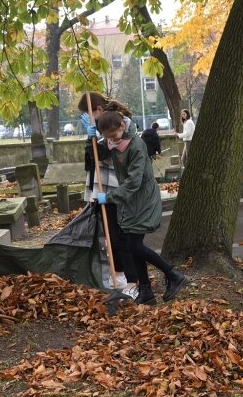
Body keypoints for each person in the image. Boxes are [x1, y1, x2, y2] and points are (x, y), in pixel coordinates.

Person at [94, 110, 188, 305]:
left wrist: (110, 197)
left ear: (122, 126)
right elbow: (102, 150)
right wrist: (92, 139)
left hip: (142, 199)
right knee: (131, 245)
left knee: (134, 245)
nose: (111, 139)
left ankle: (174, 275)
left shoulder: (136, 145)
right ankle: (146, 291)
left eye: (113, 135)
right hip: (130, 201)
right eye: (107, 136)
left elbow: (134, 181)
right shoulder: (114, 141)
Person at [78, 93, 138, 299]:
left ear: (99, 110)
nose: (87, 117)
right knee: (110, 233)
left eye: (88, 113)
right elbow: (91, 156)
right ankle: (118, 274)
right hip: (104, 186)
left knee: (121, 234)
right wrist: (91, 136)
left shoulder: (121, 124)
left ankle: (132, 279)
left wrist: (94, 136)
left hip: (117, 186)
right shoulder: (101, 128)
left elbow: (104, 152)